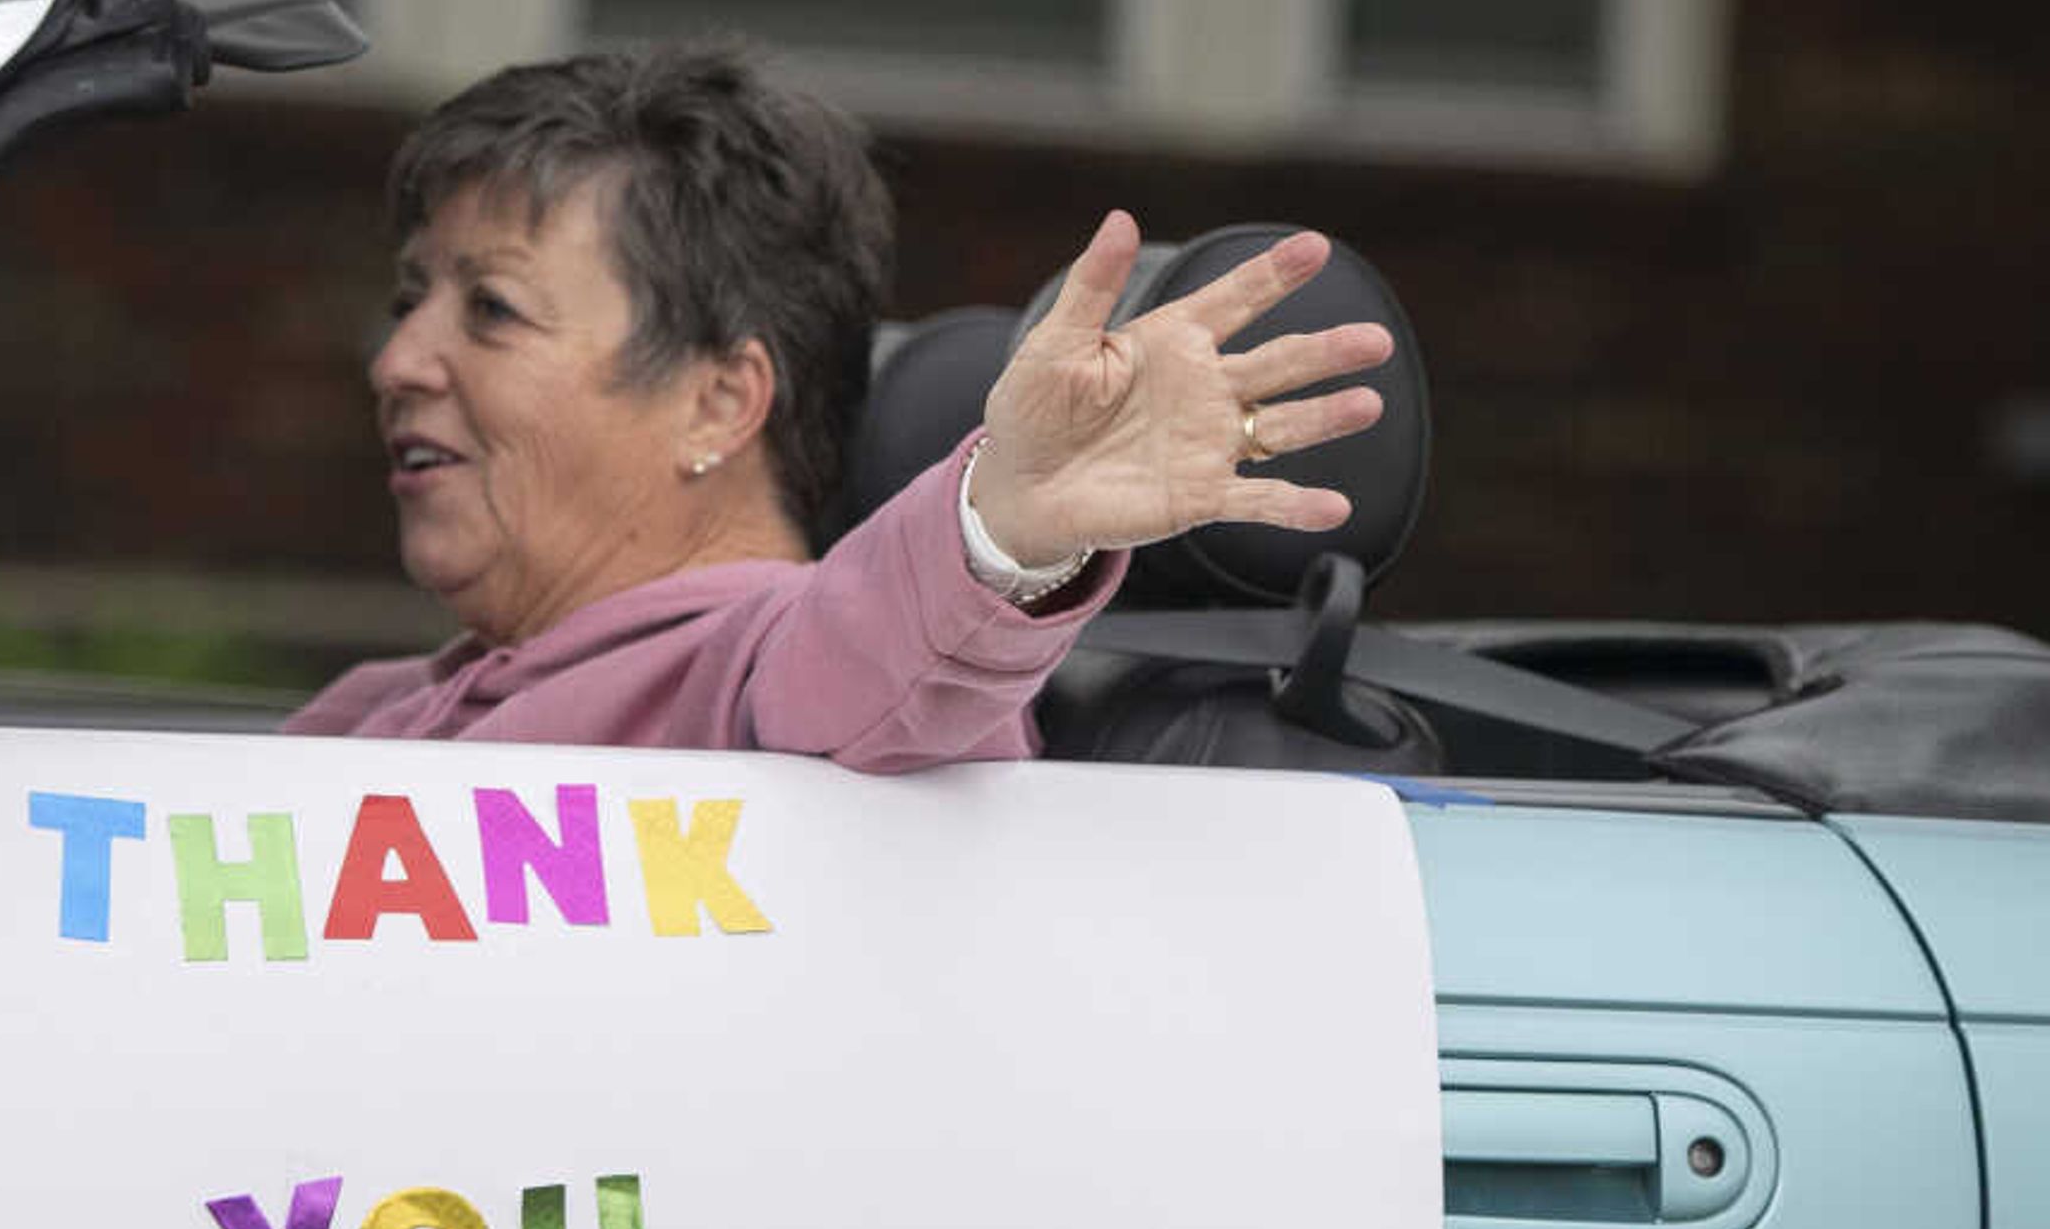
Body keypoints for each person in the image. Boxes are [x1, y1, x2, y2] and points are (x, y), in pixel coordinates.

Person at [288, 46, 1393, 760]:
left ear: (719, 400)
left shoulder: (765, 683)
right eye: (409, 297)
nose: (400, 360)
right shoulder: (363, 710)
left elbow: (881, 668)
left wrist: (1008, 521)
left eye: (490, 308)